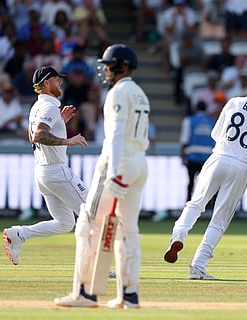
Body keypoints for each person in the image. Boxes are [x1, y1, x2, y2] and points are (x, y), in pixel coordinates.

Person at [164, 72, 247, 280]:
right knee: (219, 219)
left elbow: (215, 134)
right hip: (241, 166)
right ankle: (198, 265)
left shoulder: (234, 102)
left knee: (195, 204)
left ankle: (178, 237)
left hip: (219, 157)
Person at [54, 44, 150, 308]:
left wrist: (116, 172)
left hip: (116, 165)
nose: (105, 69)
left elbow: (117, 134)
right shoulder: (140, 93)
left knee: (87, 225)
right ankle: (129, 295)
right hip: (139, 163)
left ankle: (84, 293)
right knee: (128, 229)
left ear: (121, 66)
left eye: (108, 64)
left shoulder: (118, 92)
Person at [3, 66, 89, 266]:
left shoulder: (38, 107)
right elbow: (39, 135)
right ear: (47, 83)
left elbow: (32, 135)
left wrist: (61, 121)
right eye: (57, 79)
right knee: (93, 213)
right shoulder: (49, 106)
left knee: (65, 223)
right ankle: (93, 264)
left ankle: (18, 234)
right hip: (56, 170)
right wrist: (69, 141)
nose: (61, 82)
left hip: (42, 172)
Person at [180, 101, 216, 202]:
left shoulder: (190, 120)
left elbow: (184, 139)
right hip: (207, 158)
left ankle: (188, 203)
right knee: (207, 183)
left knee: (191, 182)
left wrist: (182, 156)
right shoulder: (212, 122)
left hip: (192, 157)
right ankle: (207, 204)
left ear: (196, 108)